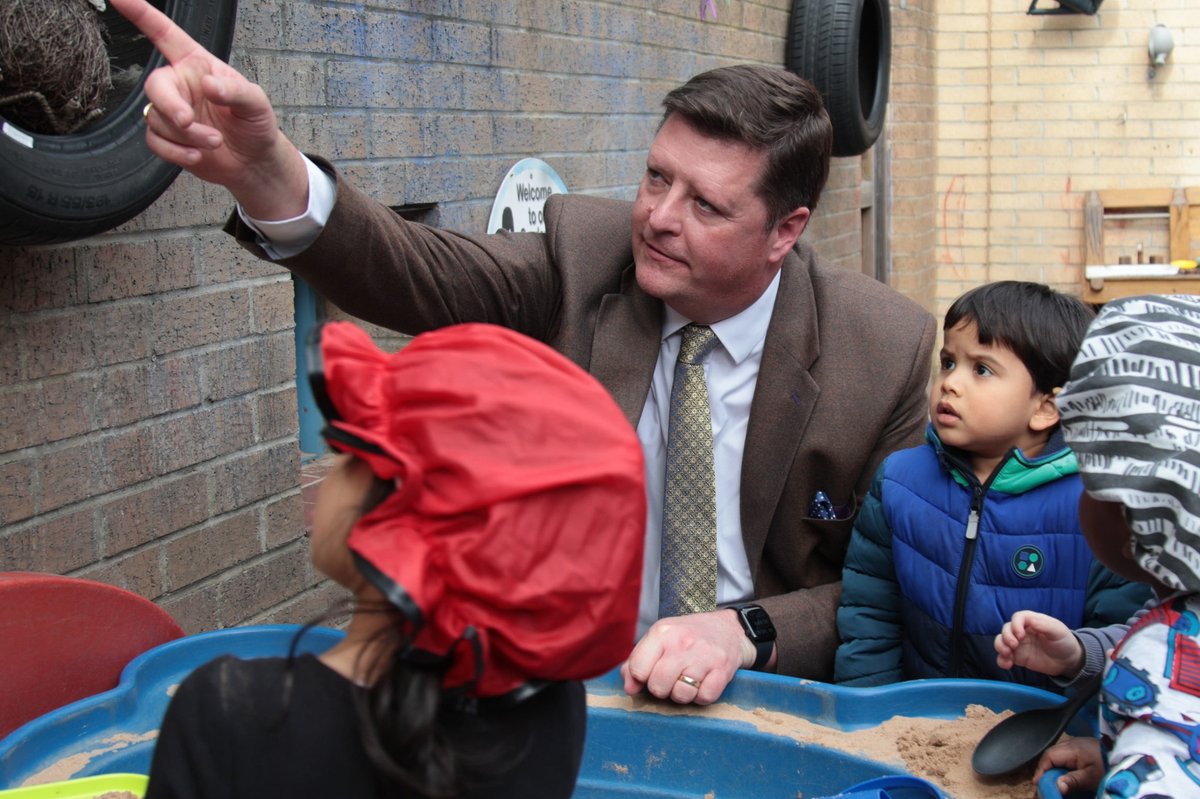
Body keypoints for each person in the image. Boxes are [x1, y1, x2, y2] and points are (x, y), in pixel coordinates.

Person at [109, 0, 937, 704]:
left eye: (706, 206)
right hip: (560, 688)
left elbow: (891, 589)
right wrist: (266, 172)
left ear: (784, 232)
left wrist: (744, 630)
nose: (657, 216)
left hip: (766, 697)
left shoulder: (883, 348)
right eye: (656, 177)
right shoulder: (585, 251)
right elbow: (419, 273)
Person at [134, 322, 647, 799]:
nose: (330, 473)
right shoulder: (552, 712)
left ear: (401, 516)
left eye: (349, 450)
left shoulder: (231, 716)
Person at [833, 281, 1150, 689]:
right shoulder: (899, 482)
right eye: (948, 362)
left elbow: (1127, 637)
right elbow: (870, 616)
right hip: (914, 724)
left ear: (1045, 409)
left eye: (981, 369)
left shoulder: (1097, 504)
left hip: (1044, 734)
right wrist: (868, 712)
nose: (950, 383)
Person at [1018, 294, 1200, 799]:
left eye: (1090, 478)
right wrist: (1129, 753)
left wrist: (1151, 756)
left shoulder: (1166, 661)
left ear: (1138, 513)